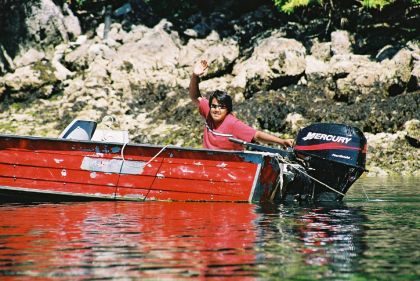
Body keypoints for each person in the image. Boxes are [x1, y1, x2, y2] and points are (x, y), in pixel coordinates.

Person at [189, 59, 294, 151]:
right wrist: (194, 76)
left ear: (228, 110)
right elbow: (195, 97)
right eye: (214, 106)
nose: (216, 110)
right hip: (208, 163)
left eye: (221, 107)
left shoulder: (233, 124)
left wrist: (282, 141)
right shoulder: (209, 110)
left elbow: (257, 135)